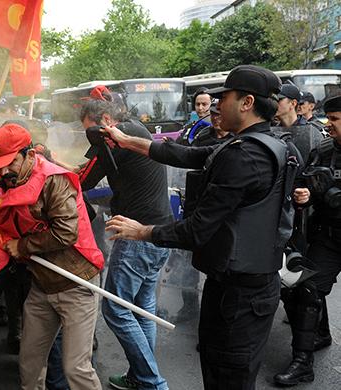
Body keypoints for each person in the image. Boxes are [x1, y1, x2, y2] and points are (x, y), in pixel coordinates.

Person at [104, 65, 289, 389]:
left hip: (238, 295)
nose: (218, 105)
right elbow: (183, 154)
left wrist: (142, 231)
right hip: (248, 286)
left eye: (225, 97)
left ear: (246, 102)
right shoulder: (263, 145)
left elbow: (196, 230)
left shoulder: (244, 157)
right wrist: (125, 139)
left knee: (226, 377)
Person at [0, 123, 103, 390]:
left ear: (28, 154)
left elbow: (67, 233)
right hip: (41, 284)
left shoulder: (54, 180)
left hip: (76, 283)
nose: (3, 172)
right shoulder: (8, 182)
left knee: (77, 369)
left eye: (10, 162)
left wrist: (22, 247)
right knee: (30, 364)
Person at [78, 99, 173, 390]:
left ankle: (152, 383)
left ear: (106, 119)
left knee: (116, 309)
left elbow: (83, 180)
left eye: (90, 130)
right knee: (143, 306)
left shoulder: (114, 140)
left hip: (137, 235)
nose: (90, 137)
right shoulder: (137, 129)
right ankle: (140, 376)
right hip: (159, 230)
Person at [273, 94, 341, 386]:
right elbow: (306, 181)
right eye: (330, 118)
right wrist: (306, 195)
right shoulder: (324, 149)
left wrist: (328, 194)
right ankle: (304, 360)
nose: (330, 124)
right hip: (329, 237)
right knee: (306, 289)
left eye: (336, 119)